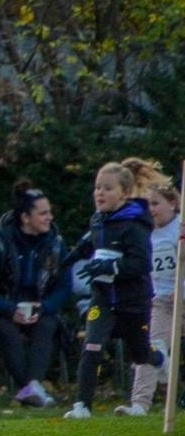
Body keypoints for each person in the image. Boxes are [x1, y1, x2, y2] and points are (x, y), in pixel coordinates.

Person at [62, 158, 168, 419]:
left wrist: (111, 267)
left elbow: (141, 263)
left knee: (140, 354)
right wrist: (70, 257)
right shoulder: (98, 220)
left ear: (124, 193)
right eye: (98, 187)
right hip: (102, 298)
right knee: (92, 346)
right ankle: (82, 406)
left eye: (108, 188)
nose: (100, 193)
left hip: (132, 300)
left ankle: (159, 358)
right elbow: (91, 242)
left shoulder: (134, 225)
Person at [0, 183, 71, 408]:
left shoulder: (56, 244)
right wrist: (9, 309)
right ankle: (32, 389)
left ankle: (31, 389)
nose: (49, 218)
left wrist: (44, 307)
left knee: (48, 325)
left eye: (49, 212)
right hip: (1, 310)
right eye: (43, 213)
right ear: (25, 218)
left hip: (39, 309)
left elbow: (64, 287)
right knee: (6, 331)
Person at [117, 174, 181, 415]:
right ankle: (139, 404)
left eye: (155, 204)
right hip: (161, 302)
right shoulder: (144, 232)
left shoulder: (180, 228)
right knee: (151, 346)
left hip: (181, 296)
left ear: (172, 203)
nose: (151, 210)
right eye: (147, 205)